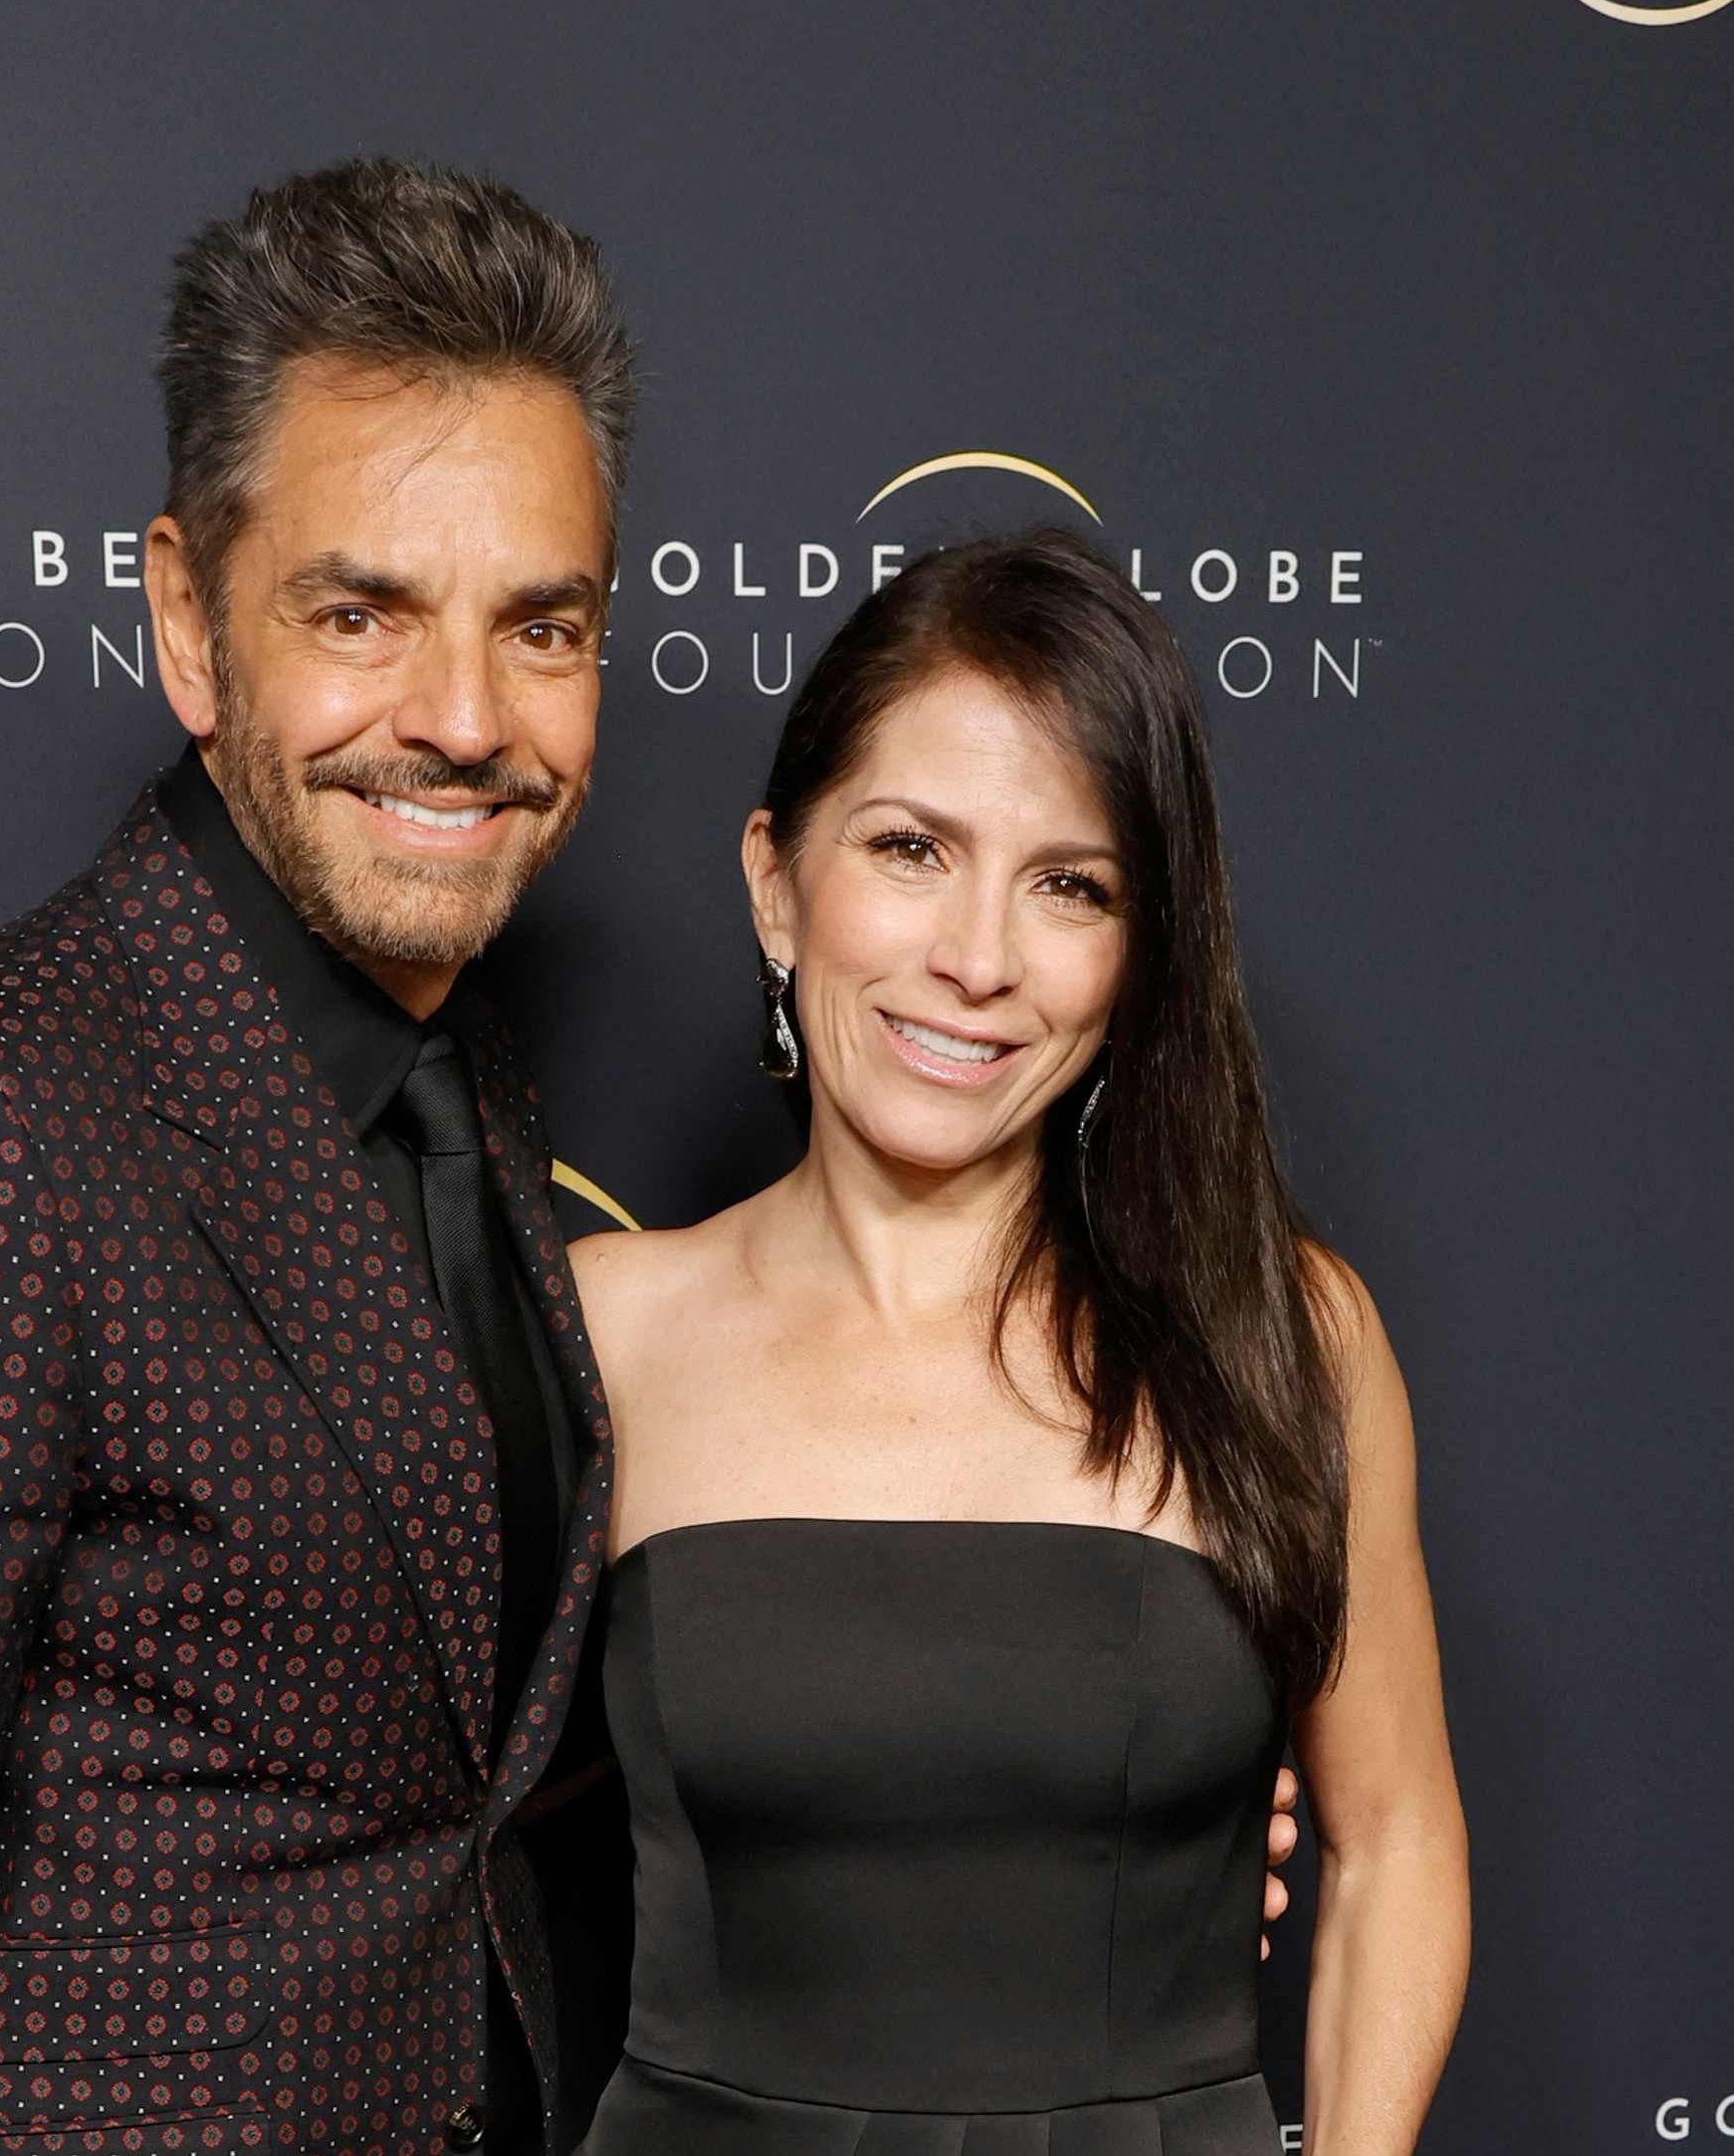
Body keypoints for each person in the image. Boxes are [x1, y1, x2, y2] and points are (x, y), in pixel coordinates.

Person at [0, 160, 1293, 2156]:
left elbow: (479, 1735)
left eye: (542, 627)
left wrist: (1090, 1786)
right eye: (360, 613)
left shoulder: (467, 1093)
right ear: (191, 619)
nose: (463, 720)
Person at [566, 530, 1469, 2152]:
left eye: (1069, 885)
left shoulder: (1282, 1334)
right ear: (777, 882)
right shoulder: (600, 1331)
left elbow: (1396, 1838)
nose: (977, 960)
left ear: (1134, 960)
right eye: (911, 848)